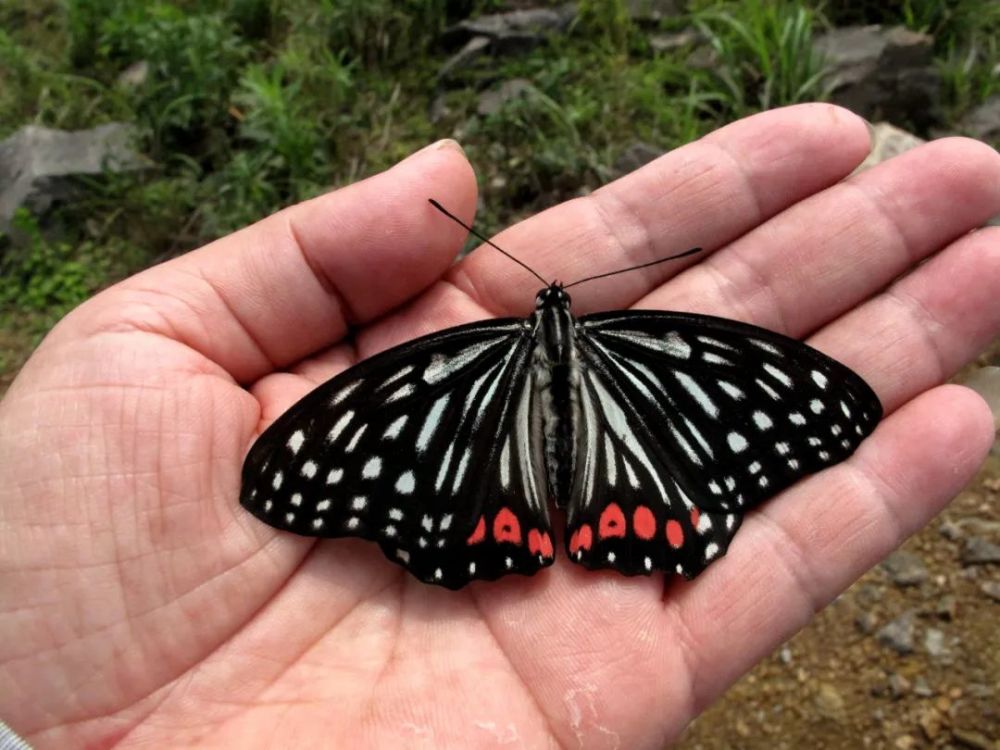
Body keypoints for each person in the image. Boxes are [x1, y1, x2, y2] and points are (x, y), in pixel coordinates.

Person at [1, 103, 998, 748]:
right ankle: (607, 525)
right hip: (625, 489)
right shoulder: (657, 349)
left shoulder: (444, 368)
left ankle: (525, 531)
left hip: (503, 503)